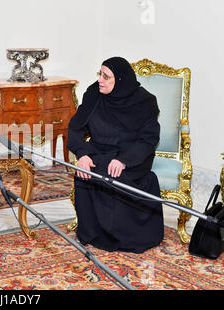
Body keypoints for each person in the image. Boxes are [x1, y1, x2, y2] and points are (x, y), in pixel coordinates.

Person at [67, 56, 164, 254]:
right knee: (86, 171)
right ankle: (93, 233)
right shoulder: (94, 94)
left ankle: (122, 236)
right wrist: (83, 154)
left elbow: (148, 140)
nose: (100, 79)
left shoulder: (145, 102)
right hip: (99, 151)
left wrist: (124, 160)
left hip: (132, 156)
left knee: (113, 174)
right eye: (100, 74)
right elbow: (75, 129)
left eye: (106, 76)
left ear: (119, 80)